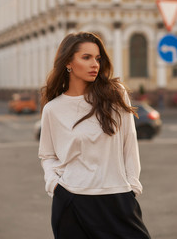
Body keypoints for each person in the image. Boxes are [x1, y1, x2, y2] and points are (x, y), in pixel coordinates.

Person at [38, 32, 151, 239]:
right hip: (72, 202)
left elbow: (129, 142)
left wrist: (132, 188)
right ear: (68, 63)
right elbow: (47, 155)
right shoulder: (53, 109)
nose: (95, 64)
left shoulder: (115, 95)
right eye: (86, 57)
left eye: (98, 58)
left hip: (118, 200)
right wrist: (54, 184)